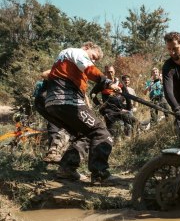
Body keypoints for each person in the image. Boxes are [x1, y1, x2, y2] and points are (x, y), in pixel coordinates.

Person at [43, 42, 121, 185]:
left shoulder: (65, 58)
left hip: (52, 104)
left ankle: (67, 170)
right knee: (101, 133)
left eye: (96, 60)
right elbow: (90, 69)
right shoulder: (77, 52)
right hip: (67, 102)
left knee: (85, 134)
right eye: (93, 56)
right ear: (87, 47)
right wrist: (108, 83)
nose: (93, 60)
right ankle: (100, 175)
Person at [90, 65, 135, 138]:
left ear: (114, 72)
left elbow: (127, 95)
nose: (110, 73)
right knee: (113, 131)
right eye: (108, 72)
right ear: (105, 73)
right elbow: (92, 94)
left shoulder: (119, 82)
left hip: (121, 109)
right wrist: (99, 105)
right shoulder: (102, 83)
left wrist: (129, 108)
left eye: (111, 72)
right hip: (109, 111)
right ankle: (114, 143)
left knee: (131, 123)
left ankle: (128, 140)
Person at [33, 78, 70, 163]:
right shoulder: (60, 74)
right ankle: (53, 154)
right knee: (57, 125)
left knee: (54, 124)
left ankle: (52, 153)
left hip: (41, 100)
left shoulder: (44, 82)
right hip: (49, 99)